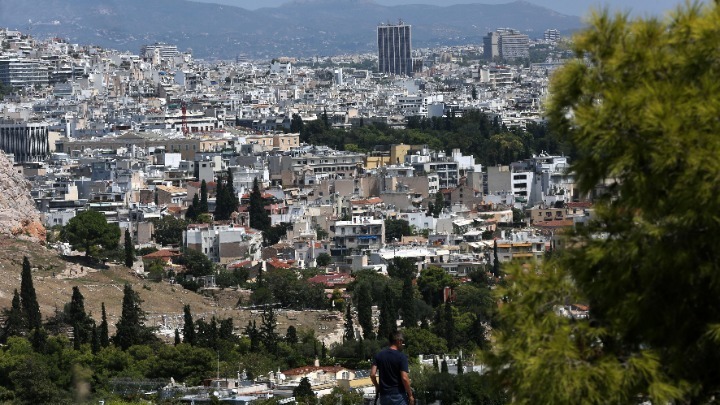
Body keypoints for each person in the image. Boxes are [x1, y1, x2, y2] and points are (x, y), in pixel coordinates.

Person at [370, 331, 415, 405]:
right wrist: (410, 395)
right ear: (398, 341)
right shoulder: (402, 357)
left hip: (384, 395)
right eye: (402, 341)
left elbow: (372, 374)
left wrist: (377, 386)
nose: (402, 344)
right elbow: (404, 378)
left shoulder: (378, 356)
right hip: (398, 395)